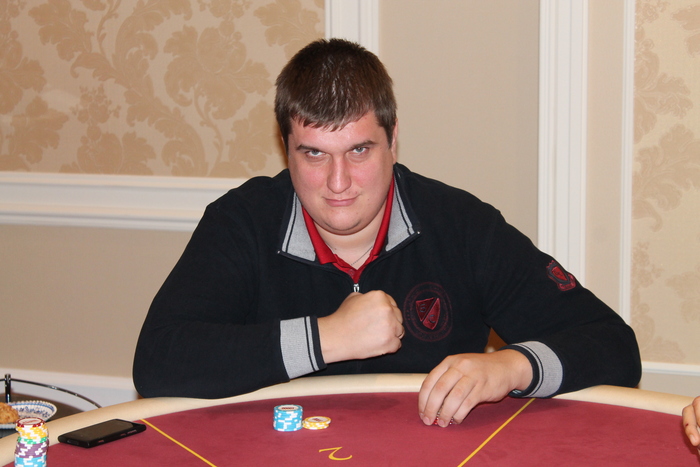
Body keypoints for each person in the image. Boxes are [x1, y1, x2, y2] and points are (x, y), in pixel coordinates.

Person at [133, 38, 641, 427]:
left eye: (359, 150)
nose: (338, 183)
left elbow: (615, 347)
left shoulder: (461, 225)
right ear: (285, 149)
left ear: (393, 140)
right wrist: (326, 338)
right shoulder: (242, 222)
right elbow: (158, 360)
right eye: (314, 154)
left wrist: (512, 367)